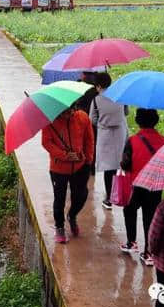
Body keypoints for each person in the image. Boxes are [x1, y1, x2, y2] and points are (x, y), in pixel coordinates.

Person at [119, 109, 164, 266]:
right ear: (156, 121)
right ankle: (148, 253)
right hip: (155, 186)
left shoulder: (133, 140)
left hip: (135, 184)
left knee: (129, 210)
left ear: (138, 121)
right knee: (150, 218)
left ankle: (131, 241)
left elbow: (125, 164)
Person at [42, 105, 94, 244]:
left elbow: (89, 139)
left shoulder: (82, 117)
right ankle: (59, 226)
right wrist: (64, 155)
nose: (68, 114)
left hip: (80, 166)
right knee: (59, 198)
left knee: (81, 195)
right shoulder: (49, 121)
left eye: (71, 111)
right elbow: (46, 143)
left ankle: (72, 215)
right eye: (64, 112)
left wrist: (88, 159)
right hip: (58, 168)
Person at [90, 72, 128, 210]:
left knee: (108, 167)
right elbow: (126, 113)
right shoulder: (120, 97)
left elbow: (92, 120)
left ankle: (109, 198)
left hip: (105, 135)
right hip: (119, 133)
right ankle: (122, 192)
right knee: (118, 165)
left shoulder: (96, 100)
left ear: (99, 86)